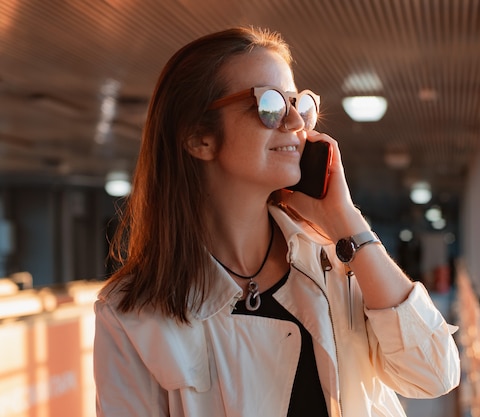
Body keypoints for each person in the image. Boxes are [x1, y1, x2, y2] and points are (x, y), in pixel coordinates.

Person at [93, 26, 460, 417]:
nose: (295, 124)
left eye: (298, 104)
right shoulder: (131, 313)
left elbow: (435, 374)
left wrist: (346, 221)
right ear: (199, 137)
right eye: (268, 105)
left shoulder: (336, 259)